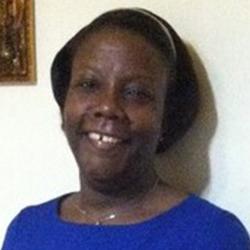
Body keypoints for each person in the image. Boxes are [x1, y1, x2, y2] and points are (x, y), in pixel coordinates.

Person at [2, 8, 250, 250]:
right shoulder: (27, 230)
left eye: (136, 93)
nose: (108, 107)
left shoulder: (212, 236)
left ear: (166, 117)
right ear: (64, 106)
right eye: (88, 84)